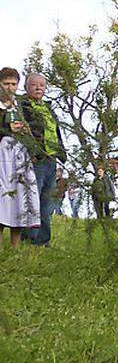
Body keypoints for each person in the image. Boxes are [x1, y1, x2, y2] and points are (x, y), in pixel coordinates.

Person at [18, 73, 65, 246]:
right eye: (34, 85)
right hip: (34, 159)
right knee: (32, 199)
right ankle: (28, 238)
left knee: (47, 201)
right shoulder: (21, 106)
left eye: (42, 85)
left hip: (51, 159)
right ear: (26, 87)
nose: (39, 88)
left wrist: (61, 154)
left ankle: (43, 241)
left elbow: (55, 132)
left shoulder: (48, 107)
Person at [0, 68, 40, 247]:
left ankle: (14, 248)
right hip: (2, 154)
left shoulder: (21, 105)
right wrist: (8, 128)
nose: (10, 87)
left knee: (20, 196)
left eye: (13, 84)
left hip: (20, 154)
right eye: (6, 83)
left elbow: (32, 128)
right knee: (3, 195)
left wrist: (27, 134)